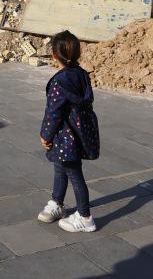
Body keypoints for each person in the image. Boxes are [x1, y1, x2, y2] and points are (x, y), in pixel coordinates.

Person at [36, 30, 100, 234]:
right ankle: (57, 202)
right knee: (60, 166)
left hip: (66, 135)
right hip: (80, 129)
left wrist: (45, 135)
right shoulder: (81, 74)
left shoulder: (59, 82)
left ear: (54, 55)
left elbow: (53, 113)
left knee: (74, 173)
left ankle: (84, 217)